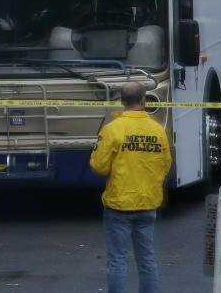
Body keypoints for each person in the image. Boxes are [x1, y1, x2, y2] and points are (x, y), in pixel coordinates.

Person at [90, 82, 172, 293]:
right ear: (144, 99)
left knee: (117, 260)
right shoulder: (157, 130)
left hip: (119, 203)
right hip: (147, 203)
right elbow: (165, 165)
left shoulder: (112, 130)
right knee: (147, 259)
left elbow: (98, 166)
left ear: (121, 101)